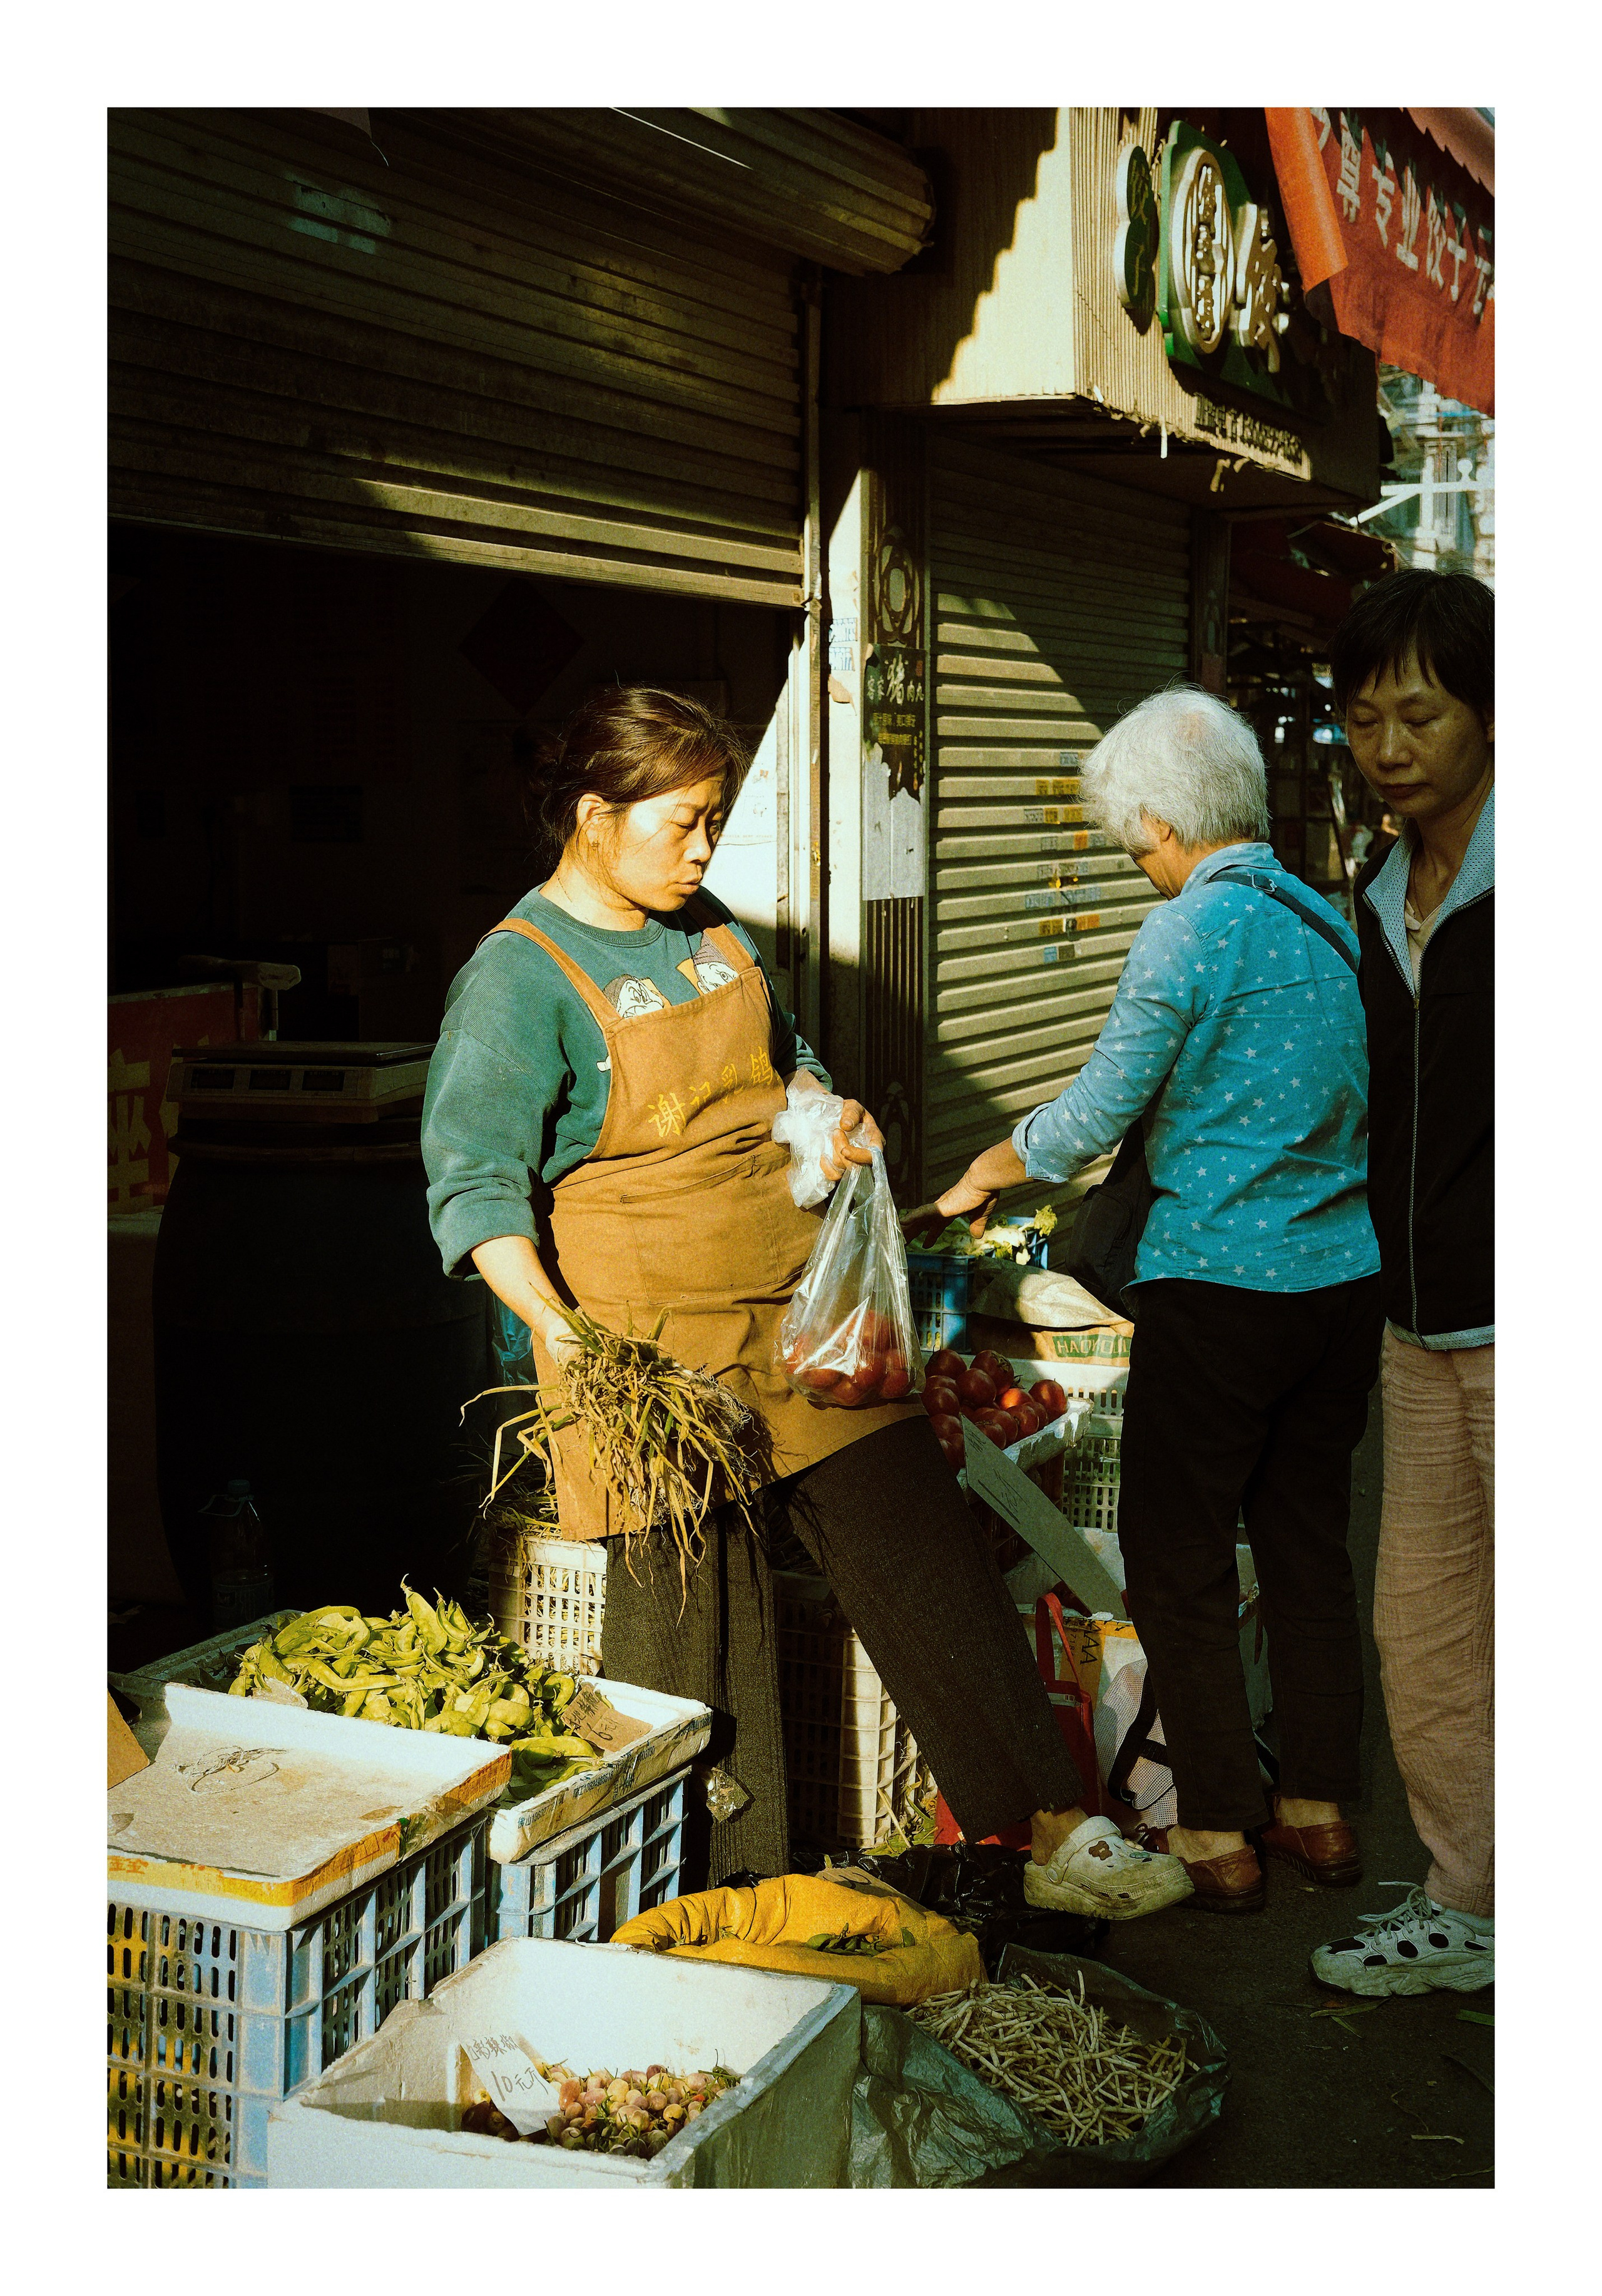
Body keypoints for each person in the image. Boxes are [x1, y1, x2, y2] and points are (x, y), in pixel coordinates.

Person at [422, 685, 1190, 1917]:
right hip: (644, 1348)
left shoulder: (710, 930)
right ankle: (723, 1901)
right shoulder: (518, 979)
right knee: (693, 1628)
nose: (702, 848)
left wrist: (822, 1118)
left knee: (915, 1544)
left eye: (714, 820)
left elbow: (789, 1066)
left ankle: (1052, 1831)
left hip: (797, 1304)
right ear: (589, 813)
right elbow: (473, 1183)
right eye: (681, 821)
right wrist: (558, 1328)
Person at [914, 686, 1384, 1913]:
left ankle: (1218, 1820)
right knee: (1302, 1546)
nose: (1134, 856)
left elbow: (1093, 1114)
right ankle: (1318, 1807)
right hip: (1336, 1287)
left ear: (1160, 824)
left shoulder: (1187, 931)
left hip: (1220, 1286)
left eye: (1131, 836)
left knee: (1177, 1554)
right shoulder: (1326, 924)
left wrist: (987, 1164)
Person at [1310, 571, 1494, 1997]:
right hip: (1414, 1324)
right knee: (1420, 1627)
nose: (1385, 742)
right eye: (1363, 715)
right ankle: (1470, 1898)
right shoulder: (1366, 895)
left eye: (1418, 710)